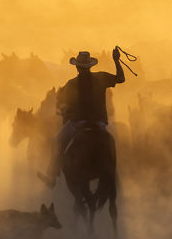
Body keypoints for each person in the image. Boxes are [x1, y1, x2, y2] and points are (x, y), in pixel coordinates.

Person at [38, 47, 125, 187]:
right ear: (90, 66)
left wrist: (64, 108)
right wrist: (116, 60)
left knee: (56, 142)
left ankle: (52, 176)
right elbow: (121, 78)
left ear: (77, 67)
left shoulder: (71, 84)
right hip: (100, 123)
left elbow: (61, 104)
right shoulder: (101, 78)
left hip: (78, 124)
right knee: (114, 142)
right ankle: (118, 174)